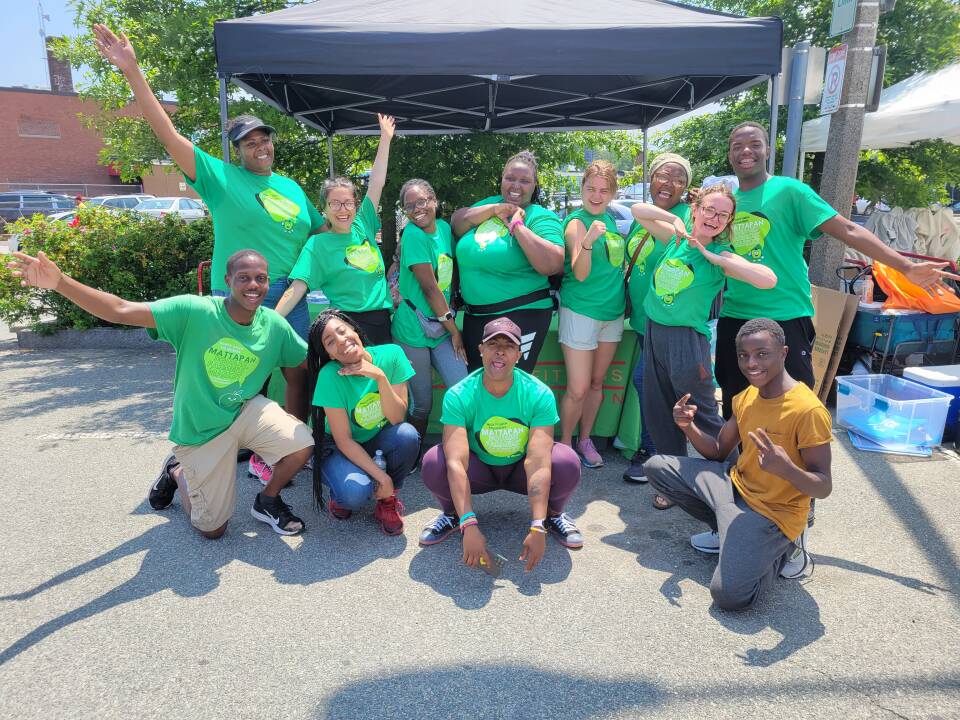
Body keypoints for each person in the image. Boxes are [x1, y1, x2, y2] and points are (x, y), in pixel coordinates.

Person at [93, 24, 324, 485]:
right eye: (250, 142)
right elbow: (168, 134)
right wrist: (133, 72)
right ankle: (191, 458)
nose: (261, 146)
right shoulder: (221, 179)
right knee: (233, 381)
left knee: (297, 372)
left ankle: (284, 450)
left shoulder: (292, 188)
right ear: (237, 151)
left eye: (265, 139)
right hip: (241, 294)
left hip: (291, 296)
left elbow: (322, 233)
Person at [8, 248, 313, 538]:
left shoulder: (274, 325)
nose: (253, 284)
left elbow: (301, 367)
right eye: (244, 277)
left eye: (260, 278)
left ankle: (267, 500)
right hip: (202, 429)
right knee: (212, 530)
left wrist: (297, 418)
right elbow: (120, 310)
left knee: (301, 442)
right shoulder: (194, 311)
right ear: (227, 281)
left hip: (244, 411)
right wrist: (61, 283)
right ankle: (177, 472)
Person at [715, 121, 959, 419]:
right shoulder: (726, 203)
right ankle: (741, 467)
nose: (745, 151)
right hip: (735, 317)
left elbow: (847, 229)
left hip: (783, 317)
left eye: (754, 144)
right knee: (736, 406)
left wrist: (906, 266)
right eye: (737, 146)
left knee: (792, 411)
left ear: (767, 149)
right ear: (729, 154)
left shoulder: (789, 191)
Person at [644, 318, 833, 610]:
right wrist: (688, 426)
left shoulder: (808, 410)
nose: (751, 363)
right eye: (744, 355)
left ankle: (783, 551)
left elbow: (823, 486)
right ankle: (728, 534)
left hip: (772, 513)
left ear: (783, 353)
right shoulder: (747, 396)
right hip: (735, 488)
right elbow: (719, 451)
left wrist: (787, 469)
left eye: (762, 354)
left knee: (729, 597)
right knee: (657, 467)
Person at [632, 184, 777, 510]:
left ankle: (738, 484)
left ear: (728, 223)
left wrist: (713, 255)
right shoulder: (676, 239)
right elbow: (638, 211)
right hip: (655, 333)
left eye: (723, 215)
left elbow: (768, 279)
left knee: (705, 416)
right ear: (695, 209)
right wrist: (677, 222)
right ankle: (673, 483)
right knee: (661, 414)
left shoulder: (720, 256)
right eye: (709, 210)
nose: (715, 218)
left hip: (686, 341)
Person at [418, 317, 583, 571]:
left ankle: (552, 516)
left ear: (519, 354)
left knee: (565, 461)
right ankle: (453, 516)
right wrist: (469, 523)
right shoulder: (460, 394)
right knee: (435, 462)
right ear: (481, 349)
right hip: (480, 469)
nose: (500, 351)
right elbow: (456, 461)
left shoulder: (538, 393)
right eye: (493, 343)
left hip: (519, 469)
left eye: (508, 345)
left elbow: (538, 461)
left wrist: (536, 525)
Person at [275, 115, 396, 346]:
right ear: (325, 209)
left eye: (348, 203)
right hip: (345, 325)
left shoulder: (363, 225)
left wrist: (385, 138)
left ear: (356, 205)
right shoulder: (318, 245)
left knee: (382, 379)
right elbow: (298, 287)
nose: (343, 209)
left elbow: (377, 182)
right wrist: (272, 320)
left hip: (381, 322)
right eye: (335, 204)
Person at [307, 310, 419, 535]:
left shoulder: (391, 355)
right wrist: (381, 476)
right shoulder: (330, 375)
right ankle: (343, 493)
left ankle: (387, 499)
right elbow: (344, 440)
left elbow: (397, 418)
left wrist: (379, 376)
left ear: (354, 330)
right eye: (330, 342)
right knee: (353, 494)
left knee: (407, 435)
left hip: (375, 438)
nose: (341, 341)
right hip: (337, 446)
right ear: (329, 354)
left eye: (342, 331)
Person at [450, 151, 564, 372]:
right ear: (501, 179)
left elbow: (552, 264)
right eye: (510, 178)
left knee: (509, 386)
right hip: (476, 317)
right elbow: (457, 223)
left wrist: (517, 226)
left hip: (522, 315)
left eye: (524, 181)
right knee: (480, 386)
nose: (516, 185)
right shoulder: (491, 204)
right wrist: (493, 210)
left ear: (534, 185)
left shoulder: (539, 217)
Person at [621, 153, 694, 483]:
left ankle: (654, 453)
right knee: (653, 384)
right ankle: (660, 451)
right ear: (650, 179)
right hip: (641, 319)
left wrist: (678, 221)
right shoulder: (645, 216)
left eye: (680, 179)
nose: (670, 183)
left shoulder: (687, 217)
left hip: (666, 319)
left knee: (647, 382)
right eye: (664, 176)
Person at [557, 160, 625, 468]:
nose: (596, 196)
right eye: (590, 189)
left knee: (597, 383)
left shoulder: (611, 220)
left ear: (612, 193)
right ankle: (564, 444)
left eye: (603, 190)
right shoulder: (576, 222)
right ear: (581, 188)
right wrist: (586, 242)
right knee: (578, 387)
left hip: (613, 313)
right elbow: (580, 273)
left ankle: (585, 440)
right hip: (582, 311)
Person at [390, 178, 469, 445]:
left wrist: (456, 303)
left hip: (441, 326)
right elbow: (430, 289)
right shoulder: (413, 235)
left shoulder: (445, 229)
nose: (416, 209)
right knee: (422, 402)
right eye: (408, 205)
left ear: (434, 202)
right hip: (413, 329)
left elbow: (451, 272)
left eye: (421, 201)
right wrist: (455, 331)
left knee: (462, 389)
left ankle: (459, 448)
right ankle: (411, 451)